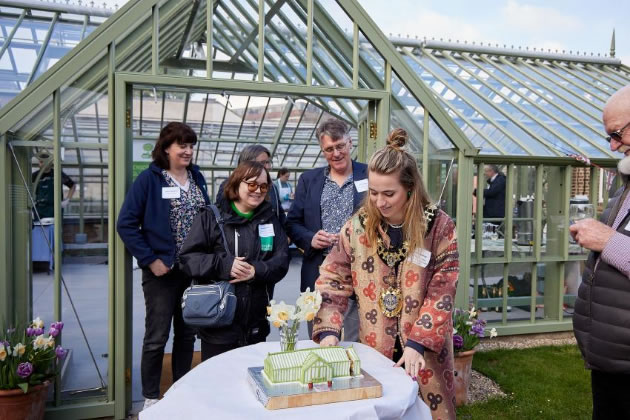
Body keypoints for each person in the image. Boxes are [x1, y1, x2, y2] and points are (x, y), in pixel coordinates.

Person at [313, 128, 459, 420]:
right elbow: (333, 278)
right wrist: (329, 330)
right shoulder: (357, 227)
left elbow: (442, 289)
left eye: (389, 194)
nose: (379, 202)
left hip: (424, 351)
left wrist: (418, 343)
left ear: (410, 188)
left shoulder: (439, 227)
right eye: (374, 192)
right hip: (375, 350)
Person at [116, 122, 210, 410]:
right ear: (166, 148)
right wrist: (150, 260)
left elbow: (206, 219)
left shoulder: (196, 178)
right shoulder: (150, 180)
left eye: (191, 145)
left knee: (187, 334)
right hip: (162, 272)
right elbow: (126, 224)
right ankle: (151, 397)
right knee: (157, 336)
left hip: (194, 271)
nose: (188, 151)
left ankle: (180, 390)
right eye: (182, 145)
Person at [179, 161, 290, 361]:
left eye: (264, 186)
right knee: (218, 382)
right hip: (218, 324)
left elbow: (281, 261)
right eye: (252, 184)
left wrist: (255, 271)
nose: (258, 191)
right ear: (237, 183)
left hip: (255, 323)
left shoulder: (269, 219)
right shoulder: (211, 217)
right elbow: (188, 259)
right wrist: (225, 265)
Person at [570, 85, 630, 419]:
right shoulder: (626, 181)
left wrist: (607, 240)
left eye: (617, 134)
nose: (612, 145)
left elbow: (614, 244)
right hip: (612, 360)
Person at [286, 117, 367, 341]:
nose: (336, 153)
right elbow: (292, 222)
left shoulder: (370, 175)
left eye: (340, 146)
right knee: (320, 335)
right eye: (329, 149)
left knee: (357, 339)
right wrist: (310, 238)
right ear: (323, 151)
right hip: (318, 269)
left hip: (360, 270)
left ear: (350, 143)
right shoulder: (309, 180)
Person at [215, 145, 285, 226]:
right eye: (263, 162)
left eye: (268, 162)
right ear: (247, 164)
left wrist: (285, 233)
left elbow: (279, 213)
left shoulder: (272, 187)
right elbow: (223, 215)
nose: (268, 167)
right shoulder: (228, 185)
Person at [31, 150, 76, 219]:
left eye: (41, 162)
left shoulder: (58, 174)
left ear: (48, 162)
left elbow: (72, 186)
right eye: (39, 162)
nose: (39, 164)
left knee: (55, 229)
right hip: (39, 212)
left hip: (55, 212)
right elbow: (27, 189)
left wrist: (67, 200)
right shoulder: (34, 176)